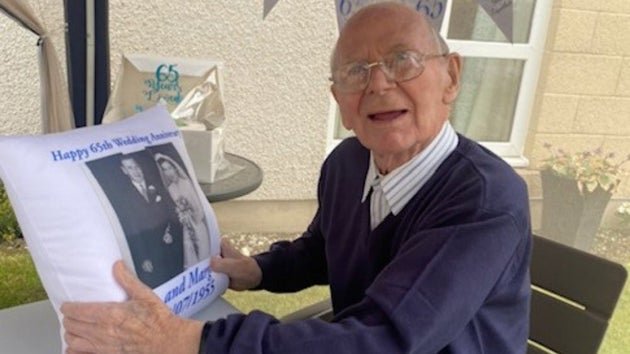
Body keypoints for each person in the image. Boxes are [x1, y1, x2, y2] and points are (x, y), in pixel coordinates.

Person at [61, 3, 531, 353]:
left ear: (450, 77)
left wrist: (190, 342)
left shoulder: (485, 201)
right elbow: (322, 249)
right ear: (340, 101)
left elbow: (386, 337)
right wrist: (259, 269)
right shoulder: (347, 164)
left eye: (402, 60)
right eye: (355, 72)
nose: (379, 84)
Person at [115, 153, 185, 288]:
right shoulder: (124, 197)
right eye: (130, 168)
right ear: (125, 171)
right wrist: (143, 258)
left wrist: (171, 231)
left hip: (171, 244)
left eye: (136, 166)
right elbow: (132, 229)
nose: (135, 171)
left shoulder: (156, 184)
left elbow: (171, 210)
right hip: (150, 251)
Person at [155, 152, 211, 268]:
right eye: (165, 170)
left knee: (201, 250)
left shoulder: (186, 183)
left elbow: (198, 205)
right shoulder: (170, 188)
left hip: (197, 222)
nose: (168, 172)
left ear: (175, 168)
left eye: (170, 168)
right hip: (185, 225)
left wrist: (192, 217)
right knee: (190, 253)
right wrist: (182, 216)